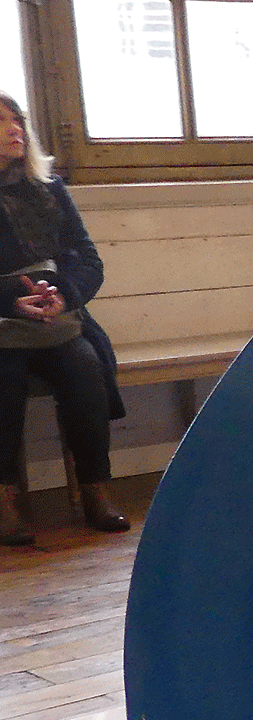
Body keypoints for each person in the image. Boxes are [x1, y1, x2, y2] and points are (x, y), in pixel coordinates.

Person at [0, 94, 127, 545]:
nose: (14, 129)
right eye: (0, 122)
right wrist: (11, 300)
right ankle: (4, 501)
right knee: (3, 381)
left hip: (58, 319)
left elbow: (88, 260)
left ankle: (95, 491)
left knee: (85, 368)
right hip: (2, 324)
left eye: (17, 120)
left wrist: (63, 296)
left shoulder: (49, 188)